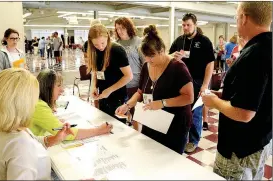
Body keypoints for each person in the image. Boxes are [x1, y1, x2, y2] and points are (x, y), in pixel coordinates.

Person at [202, 2, 272, 180]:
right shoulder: (267, 46)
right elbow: (258, 95)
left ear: (244, 18)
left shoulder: (254, 54)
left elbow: (244, 113)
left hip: (239, 148)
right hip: (260, 139)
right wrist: (223, 95)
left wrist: (214, 102)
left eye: (236, 16)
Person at [116, 25, 194, 154]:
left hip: (175, 124)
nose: (147, 59)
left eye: (151, 56)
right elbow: (140, 92)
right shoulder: (147, 66)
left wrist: (162, 103)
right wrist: (128, 105)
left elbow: (188, 97)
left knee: (170, 161)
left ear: (162, 51)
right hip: (152, 120)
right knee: (151, 155)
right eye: (145, 56)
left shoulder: (178, 67)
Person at [0, 68, 74, 180]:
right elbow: (23, 146)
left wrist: (53, 139)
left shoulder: (1, 127)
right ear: (22, 103)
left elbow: (30, 140)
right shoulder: (21, 148)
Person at [169, 13, 215, 153]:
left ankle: (193, 140)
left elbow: (210, 64)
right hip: (181, 83)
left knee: (195, 112)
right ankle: (181, 135)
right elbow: (168, 56)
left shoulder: (204, 41)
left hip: (198, 81)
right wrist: (173, 57)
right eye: (183, 25)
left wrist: (205, 85)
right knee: (182, 111)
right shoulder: (179, 41)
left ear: (195, 24)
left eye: (188, 25)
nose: (185, 27)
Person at [29, 69, 113, 140]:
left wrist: (52, 119)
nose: (62, 90)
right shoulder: (39, 106)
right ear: (47, 88)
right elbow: (67, 134)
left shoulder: (37, 101)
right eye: (58, 86)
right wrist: (98, 130)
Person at [87, 24, 133, 123]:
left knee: (118, 128)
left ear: (107, 37)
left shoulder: (117, 50)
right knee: (105, 125)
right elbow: (95, 71)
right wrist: (93, 86)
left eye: (103, 43)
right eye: (96, 45)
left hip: (118, 98)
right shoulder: (94, 51)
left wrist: (109, 90)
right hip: (103, 96)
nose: (100, 47)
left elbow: (129, 76)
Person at [115, 17, 145, 130]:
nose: (120, 31)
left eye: (122, 28)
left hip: (135, 83)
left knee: (136, 114)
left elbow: (145, 64)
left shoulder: (138, 41)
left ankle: (138, 135)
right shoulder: (116, 44)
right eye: (117, 29)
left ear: (128, 27)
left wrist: (143, 83)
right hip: (121, 84)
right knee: (123, 112)